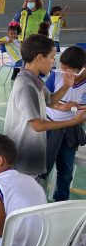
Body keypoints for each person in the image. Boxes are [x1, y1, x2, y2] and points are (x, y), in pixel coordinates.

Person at [3, 34, 86, 181]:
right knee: (25, 194)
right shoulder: (26, 86)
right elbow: (37, 125)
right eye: (52, 57)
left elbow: (49, 100)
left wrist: (66, 86)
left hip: (31, 150)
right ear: (40, 58)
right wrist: (72, 122)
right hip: (23, 152)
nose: (53, 63)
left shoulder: (35, 81)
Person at [44, 46, 86, 201]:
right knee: (43, 168)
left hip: (71, 129)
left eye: (68, 70)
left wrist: (76, 110)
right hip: (50, 126)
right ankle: (38, 201)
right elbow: (45, 100)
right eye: (62, 68)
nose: (64, 73)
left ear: (81, 69)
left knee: (66, 170)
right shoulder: (56, 76)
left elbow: (83, 114)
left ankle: (60, 201)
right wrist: (60, 106)